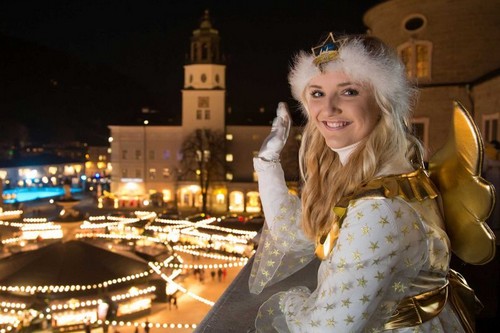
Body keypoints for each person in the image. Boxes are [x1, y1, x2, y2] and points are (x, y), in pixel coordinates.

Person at [249, 33, 487, 332]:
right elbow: (294, 233)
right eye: (317, 93)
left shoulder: (378, 208)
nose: (329, 108)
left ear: (382, 100)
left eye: (348, 92)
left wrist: (290, 303)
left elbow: (325, 329)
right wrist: (268, 164)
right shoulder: (382, 171)